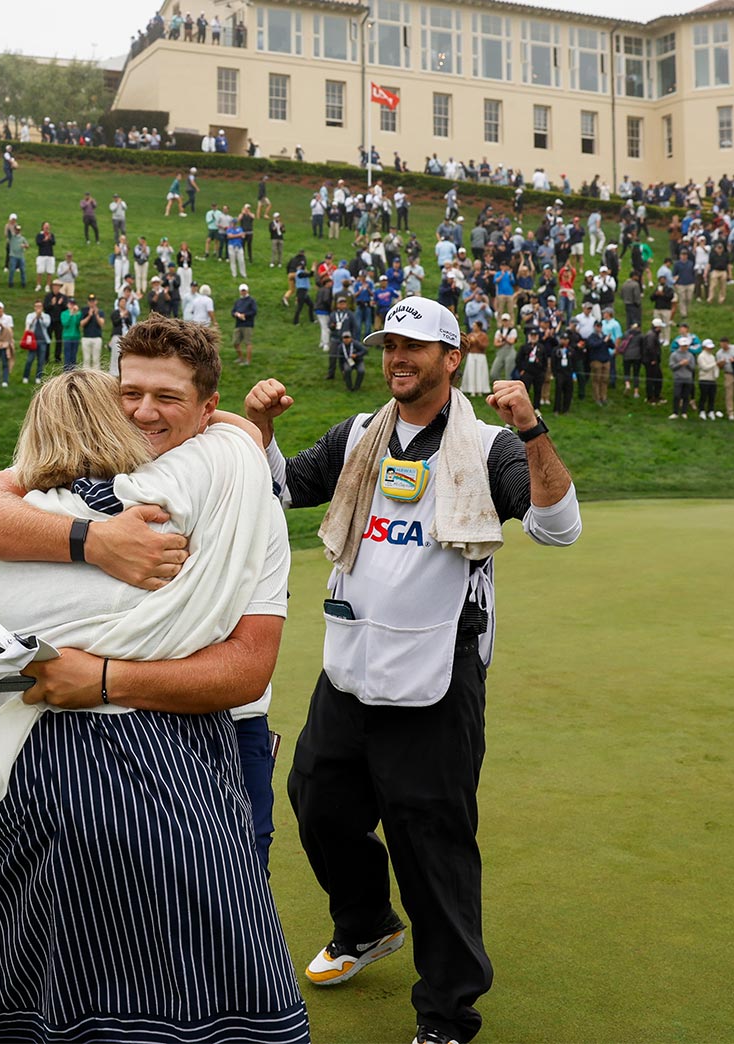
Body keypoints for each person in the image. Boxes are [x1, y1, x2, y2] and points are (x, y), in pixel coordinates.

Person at [0, 322, 305, 1043]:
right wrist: (94, 541)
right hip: (77, 765)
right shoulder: (54, 503)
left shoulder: (242, 495)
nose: (141, 412)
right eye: (127, 392)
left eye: (167, 396)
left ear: (206, 406)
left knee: (205, 943)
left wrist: (99, 679)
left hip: (213, 744)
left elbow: (248, 665)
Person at [242, 295, 579, 1044]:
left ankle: (448, 1011)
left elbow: (559, 527)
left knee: (434, 848)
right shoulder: (358, 434)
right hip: (350, 668)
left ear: (450, 359)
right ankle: (365, 927)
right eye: (390, 345)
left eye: (415, 347)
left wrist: (532, 430)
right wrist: (260, 429)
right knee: (318, 807)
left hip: (438, 676)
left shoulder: (491, 447)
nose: (398, 358)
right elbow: (282, 490)